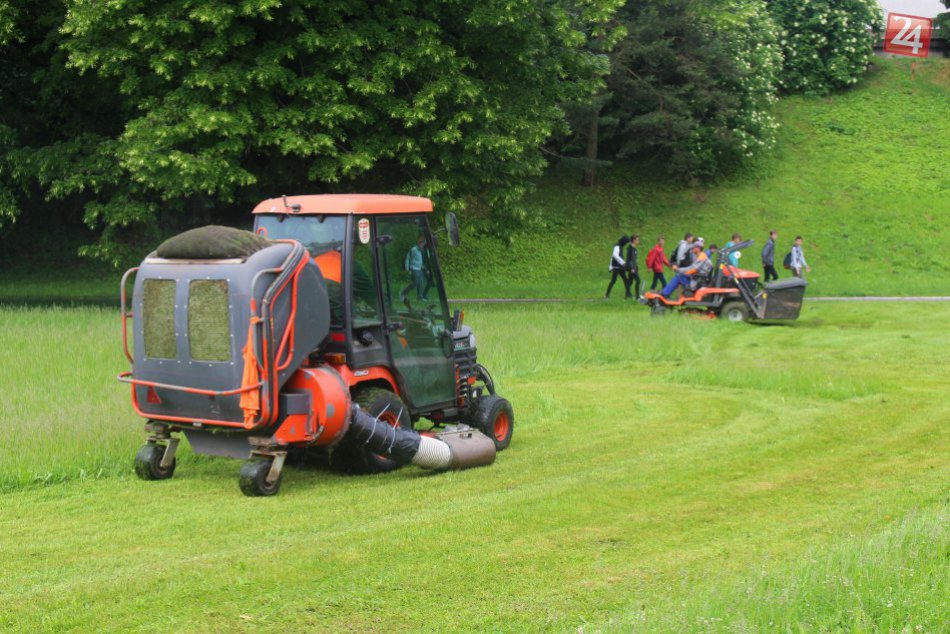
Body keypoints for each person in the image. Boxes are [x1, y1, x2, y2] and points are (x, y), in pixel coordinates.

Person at [401, 235, 431, 301]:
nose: (423, 245)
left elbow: (423, 260)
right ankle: (403, 293)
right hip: (414, 269)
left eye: (424, 243)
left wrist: (425, 269)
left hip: (420, 269)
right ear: (419, 243)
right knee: (415, 283)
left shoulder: (423, 251)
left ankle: (420, 298)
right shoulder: (413, 249)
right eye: (422, 243)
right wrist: (407, 268)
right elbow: (407, 259)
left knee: (421, 283)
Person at [625, 234, 642, 298]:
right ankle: (637, 296)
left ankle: (627, 295)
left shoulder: (633, 248)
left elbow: (633, 259)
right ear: (633, 240)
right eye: (637, 240)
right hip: (632, 268)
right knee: (638, 280)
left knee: (630, 281)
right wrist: (632, 268)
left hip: (634, 267)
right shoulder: (631, 248)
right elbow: (629, 259)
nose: (638, 241)